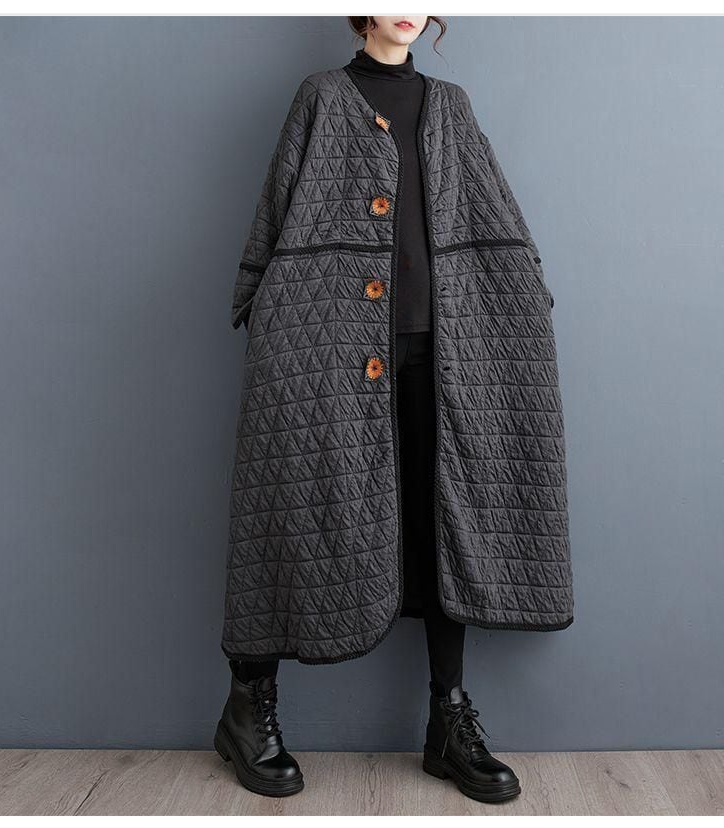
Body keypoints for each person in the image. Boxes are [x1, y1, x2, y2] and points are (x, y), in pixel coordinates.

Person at [214, 15, 573, 804]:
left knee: (447, 521)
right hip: (330, 343)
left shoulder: (452, 104)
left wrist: (529, 290)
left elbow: (494, 212)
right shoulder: (320, 95)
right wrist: (260, 299)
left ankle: (448, 720)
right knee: (289, 508)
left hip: (442, 349)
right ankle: (247, 708)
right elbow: (277, 209)